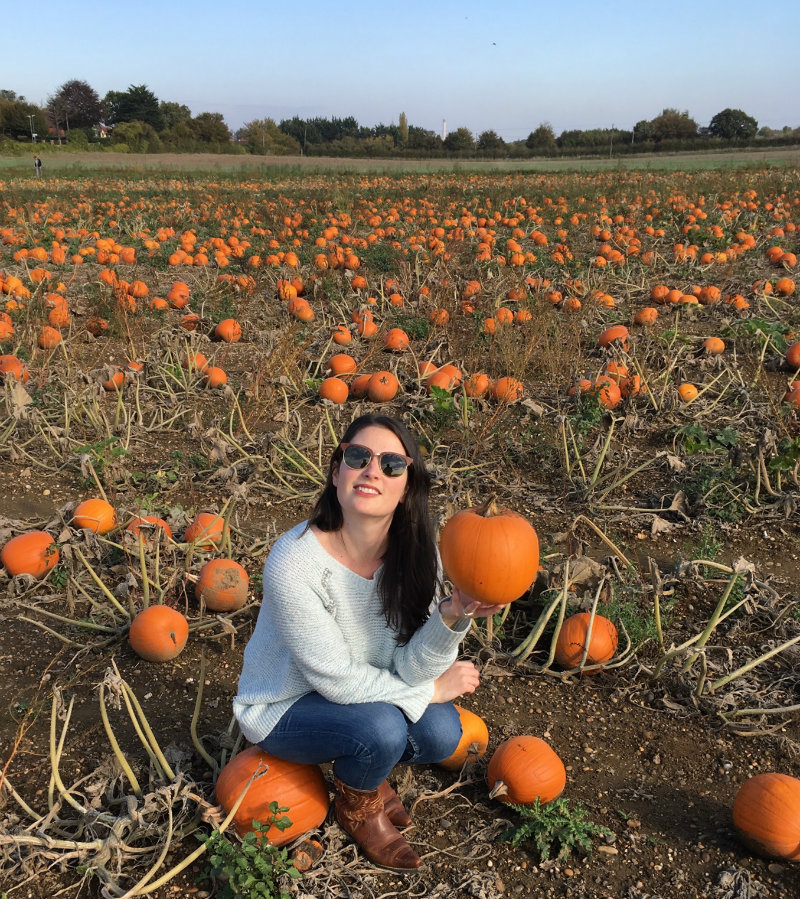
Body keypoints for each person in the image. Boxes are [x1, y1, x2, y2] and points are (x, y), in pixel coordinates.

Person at [233, 413, 496, 871]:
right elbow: (335, 680)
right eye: (358, 457)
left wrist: (452, 615)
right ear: (337, 473)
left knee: (441, 733)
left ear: (406, 484)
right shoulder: (295, 561)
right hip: (286, 705)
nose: (373, 470)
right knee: (382, 731)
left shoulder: (419, 558)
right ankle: (357, 808)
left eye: (392, 464)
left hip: (368, 691)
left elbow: (410, 667)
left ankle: (364, 774)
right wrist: (429, 692)